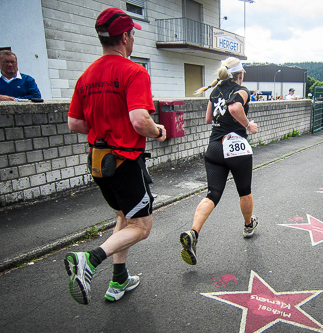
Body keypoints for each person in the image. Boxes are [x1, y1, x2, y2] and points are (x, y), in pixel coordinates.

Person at [64, 7, 167, 305]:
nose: (133, 39)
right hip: (124, 161)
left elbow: (75, 124)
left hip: (98, 162)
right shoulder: (133, 71)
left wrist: (105, 123)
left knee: (124, 216)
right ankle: (90, 260)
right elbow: (139, 121)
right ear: (124, 37)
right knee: (142, 227)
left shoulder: (87, 76)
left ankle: (118, 279)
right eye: (133, 34)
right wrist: (158, 130)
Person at [180, 57, 259, 266]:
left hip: (214, 147)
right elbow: (234, 108)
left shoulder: (214, 92)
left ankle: (193, 232)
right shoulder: (241, 90)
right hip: (236, 147)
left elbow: (208, 119)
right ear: (240, 74)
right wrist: (248, 124)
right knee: (244, 190)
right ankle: (248, 225)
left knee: (212, 194)